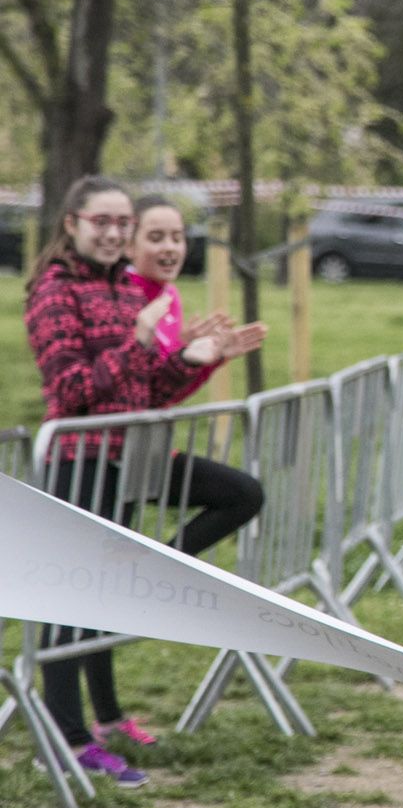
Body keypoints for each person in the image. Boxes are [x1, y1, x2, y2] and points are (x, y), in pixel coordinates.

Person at [23, 179, 255, 787]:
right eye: (103, 221)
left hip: (130, 460)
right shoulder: (53, 291)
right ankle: (69, 740)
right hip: (78, 458)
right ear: (72, 223)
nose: (115, 233)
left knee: (99, 597)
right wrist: (139, 342)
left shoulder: (128, 288)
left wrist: (198, 359)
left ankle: (88, 726)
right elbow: (70, 391)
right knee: (71, 602)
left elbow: (148, 391)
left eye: (123, 223)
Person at [126, 194, 268, 554]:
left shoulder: (169, 296)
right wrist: (186, 359)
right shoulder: (121, 296)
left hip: (150, 449)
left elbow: (166, 391)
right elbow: (136, 385)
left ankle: (160, 573)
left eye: (177, 237)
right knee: (94, 569)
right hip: (107, 450)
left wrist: (208, 361)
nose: (170, 248)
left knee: (244, 494)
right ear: (129, 244)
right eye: (156, 237)